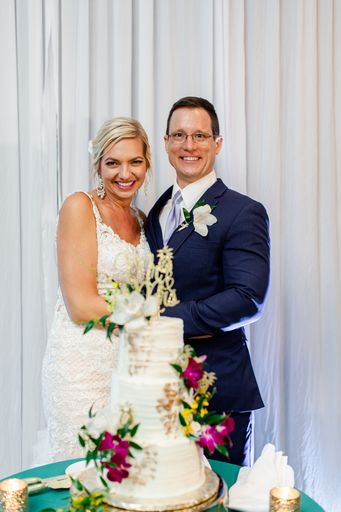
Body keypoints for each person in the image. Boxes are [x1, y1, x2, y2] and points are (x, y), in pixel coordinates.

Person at [146, 96, 270, 466]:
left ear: (217, 143)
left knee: (219, 500)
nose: (189, 146)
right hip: (159, 392)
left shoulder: (242, 210)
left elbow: (248, 297)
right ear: (166, 143)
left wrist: (163, 321)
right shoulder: (158, 209)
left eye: (200, 135)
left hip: (217, 391)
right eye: (179, 135)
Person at [33, 117, 151, 464]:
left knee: (125, 474)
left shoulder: (143, 220)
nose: (124, 173)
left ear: (147, 164)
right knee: (82, 470)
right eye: (112, 163)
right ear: (97, 165)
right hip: (80, 366)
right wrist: (150, 321)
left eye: (135, 161)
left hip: (128, 367)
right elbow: (80, 305)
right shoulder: (80, 206)